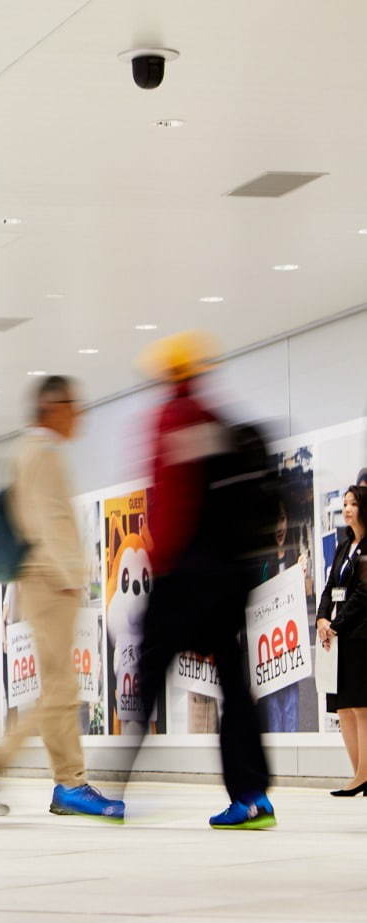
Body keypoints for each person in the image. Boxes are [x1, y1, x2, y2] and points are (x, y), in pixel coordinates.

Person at [124, 330, 274, 829]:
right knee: (233, 678)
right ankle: (252, 794)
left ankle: (113, 786)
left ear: (171, 373)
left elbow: (174, 499)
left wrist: (161, 562)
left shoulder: (171, 416)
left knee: (148, 663)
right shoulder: (215, 418)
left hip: (187, 573)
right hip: (228, 577)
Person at [0, 377, 124, 819]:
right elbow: (40, 521)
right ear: (53, 406)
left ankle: (66, 783)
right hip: (49, 581)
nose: (79, 414)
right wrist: (67, 576)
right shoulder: (39, 453)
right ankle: (10, 764)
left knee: (59, 686)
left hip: (45, 580)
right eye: (74, 405)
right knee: (61, 686)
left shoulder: (37, 452)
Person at [320, 484, 367, 794]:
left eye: (353, 503)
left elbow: (364, 593)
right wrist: (322, 619)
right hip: (338, 637)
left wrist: (335, 623)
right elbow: (328, 588)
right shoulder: (342, 546)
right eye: (345, 504)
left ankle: (363, 776)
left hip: (360, 634)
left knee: (361, 706)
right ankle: (358, 774)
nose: (347, 509)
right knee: (343, 707)